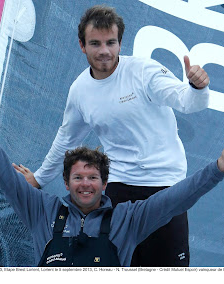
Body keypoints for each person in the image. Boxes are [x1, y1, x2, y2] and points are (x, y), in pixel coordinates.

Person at [0, 86, 224, 267]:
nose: (85, 184)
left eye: (92, 177)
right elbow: (3, 174)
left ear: (105, 184)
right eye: (78, 177)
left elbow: (177, 198)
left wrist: (218, 168)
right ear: (66, 182)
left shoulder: (128, 220)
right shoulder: (41, 210)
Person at [14, 5, 210, 266]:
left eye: (111, 42)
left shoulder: (144, 71)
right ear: (82, 46)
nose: (104, 50)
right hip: (117, 187)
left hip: (165, 185)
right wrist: (38, 179)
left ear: (120, 43)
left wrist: (198, 87)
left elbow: (188, 102)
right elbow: (66, 140)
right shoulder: (80, 90)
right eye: (95, 43)